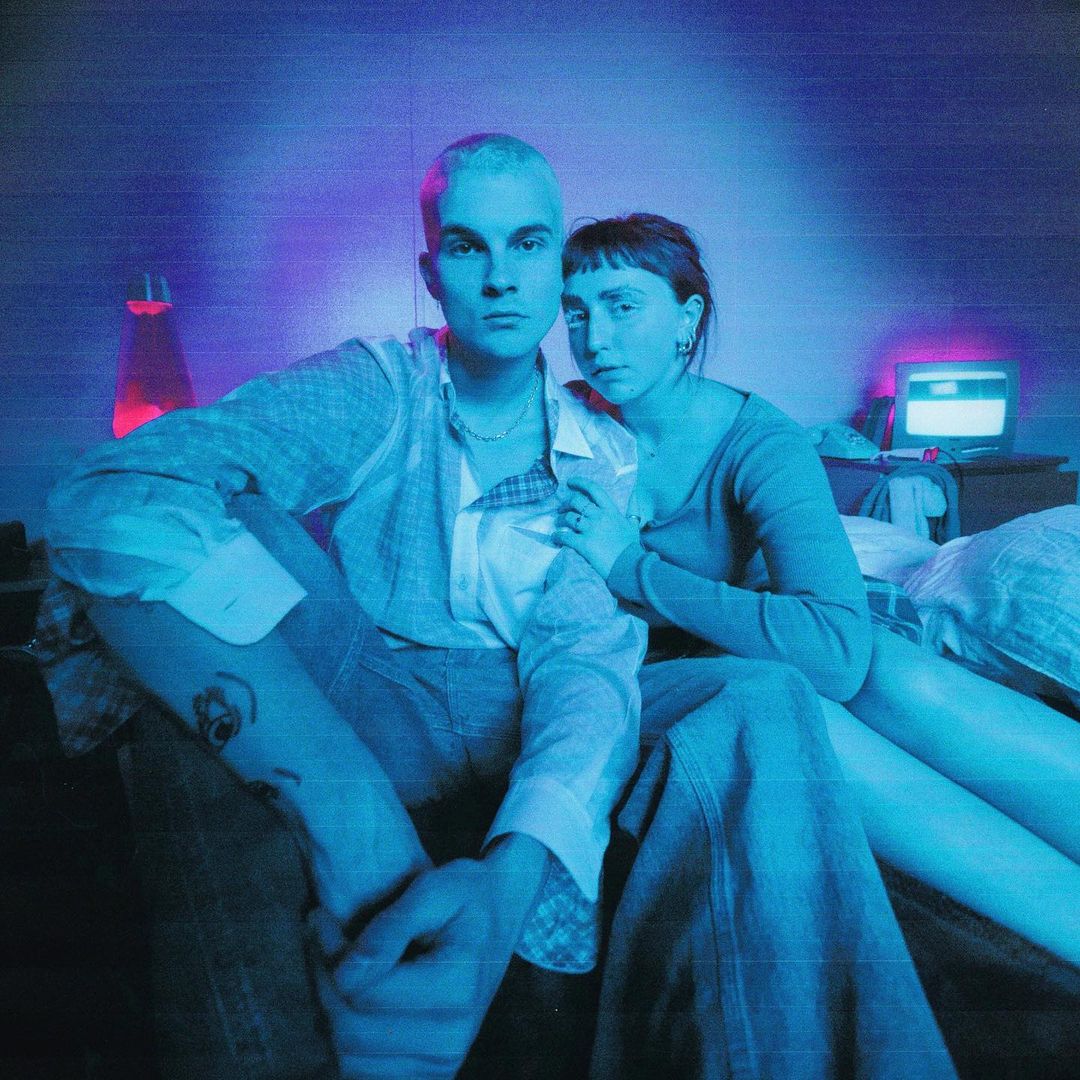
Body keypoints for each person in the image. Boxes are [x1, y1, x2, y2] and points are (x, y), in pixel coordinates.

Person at [37, 138, 956, 1079]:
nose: (502, 279)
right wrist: (354, 816)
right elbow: (110, 495)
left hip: (520, 701)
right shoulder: (378, 386)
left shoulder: (606, 445)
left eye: (528, 245)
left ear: (556, 266)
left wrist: (513, 877)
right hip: (370, 687)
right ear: (431, 275)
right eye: (469, 248)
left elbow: (587, 657)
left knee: (762, 695)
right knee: (217, 554)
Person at [556, 212, 1080, 966]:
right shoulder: (562, 420)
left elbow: (836, 651)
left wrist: (630, 566)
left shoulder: (757, 438)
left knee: (892, 672)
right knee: (807, 717)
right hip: (645, 673)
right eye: (576, 312)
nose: (595, 338)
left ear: (687, 318)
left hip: (744, 639)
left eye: (622, 306)